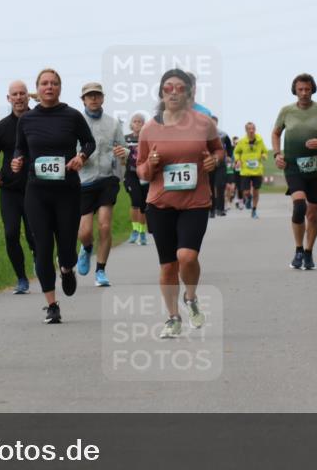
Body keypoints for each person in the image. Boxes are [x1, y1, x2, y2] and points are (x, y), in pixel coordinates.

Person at [137, 69, 223, 338]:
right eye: (168, 88)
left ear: (188, 93)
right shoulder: (150, 128)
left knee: (187, 256)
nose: (173, 92)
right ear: (161, 93)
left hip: (195, 201)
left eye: (179, 88)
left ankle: (191, 297)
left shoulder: (203, 123)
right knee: (168, 266)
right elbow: (140, 170)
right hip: (160, 203)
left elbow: (219, 149)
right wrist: (149, 165)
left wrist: (215, 161)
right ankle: (173, 318)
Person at [12, 68, 95, 324]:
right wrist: (17, 160)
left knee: (67, 248)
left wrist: (81, 157)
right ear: (38, 88)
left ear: (60, 88)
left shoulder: (72, 116)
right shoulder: (26, 120)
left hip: (67, 192)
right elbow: (19, 148)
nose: (50, 87)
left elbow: (89, 142)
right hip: (37, 193)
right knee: (43, 248)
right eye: (45, 83)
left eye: (54, 83)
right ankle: (52, 305)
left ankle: (67, 267)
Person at [271, 73, 317, 270]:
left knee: (313, 214)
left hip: (315, 168)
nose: (303, 93)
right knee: (299, 206)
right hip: (293, 166)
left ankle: (309, 253)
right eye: (300, 89)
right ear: (295, 90)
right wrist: (277, 154)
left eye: (307, 89)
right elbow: (276, 133)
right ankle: (298, 249)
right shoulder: (286, 111)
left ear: (312, 89)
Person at [0, 80, 36, 294]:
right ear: (9, 98)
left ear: (28, 96)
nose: (19, 97)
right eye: (14, 94)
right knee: (11, 233)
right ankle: (22, 278)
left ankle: (39, 261)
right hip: (9, 190)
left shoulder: (38, 121)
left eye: (22, 93)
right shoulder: (2, 127)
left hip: (35, 189)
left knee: (35, 235)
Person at [75, 82, 126, 287]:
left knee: (105, 226)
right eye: (89, 96)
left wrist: (124, 153)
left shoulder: (113, 124)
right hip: (84, 180)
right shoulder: (75, 122)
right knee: (85, 231)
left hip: (107, 178)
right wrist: (77, 158)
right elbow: (68, 149)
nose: (94, 99)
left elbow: (123, 148)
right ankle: (86, 248)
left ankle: (101, 271)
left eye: (97, 95)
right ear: (83, 100)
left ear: (103, 98)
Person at [123, 112, 149, 245]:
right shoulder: (125, 138)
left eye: (140, 121)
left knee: (143, 205)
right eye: (135, 121)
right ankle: (135, 231)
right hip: (131, 174)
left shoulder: (148, 138)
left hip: (144, 174)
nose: (138, 123)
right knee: (135, 202)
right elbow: (120, 157)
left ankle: (142, 232)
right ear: (131, 124)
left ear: (144, 124)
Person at [234, 122, 268, 219]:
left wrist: (263, 156)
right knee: (246, 192)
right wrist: (238, 160)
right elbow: (236, 152)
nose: (251, 131)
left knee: (256, 191)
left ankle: (254, 210)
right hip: (245, 171)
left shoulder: (260, 140)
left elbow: (265, 151)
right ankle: (248, 197)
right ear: (246, 130)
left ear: (255, 129)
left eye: (253, 128)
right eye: (249, 129)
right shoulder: (241, 142)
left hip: (257, 170)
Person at [207, 116, 231, 218]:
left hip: (221, 164)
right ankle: (211, 210)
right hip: (209, 163)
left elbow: (229, 147)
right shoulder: (204, 134)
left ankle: (220, 209)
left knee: (220, 186)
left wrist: (229, 155)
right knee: (210, 187)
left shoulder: (223, 134)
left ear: (216, 123)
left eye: (214, 123)